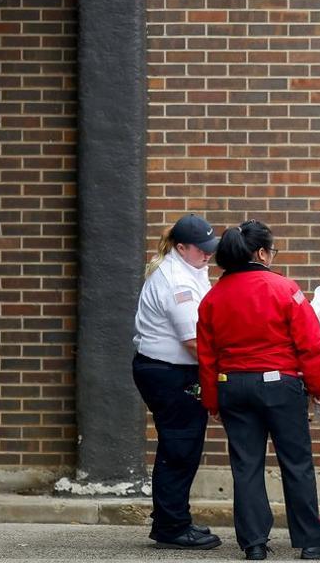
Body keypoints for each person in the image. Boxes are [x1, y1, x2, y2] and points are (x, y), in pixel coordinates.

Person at [196, 220, 320, 561]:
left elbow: (207, 357)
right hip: (280, 385)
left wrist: (211, 401)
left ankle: (253, 544)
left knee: (246, 466)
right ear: (262, 253)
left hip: (231, 386)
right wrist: (318, 385)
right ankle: (313, 542)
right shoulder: (284, 289)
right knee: (295, 463)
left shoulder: (212, 298)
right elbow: (311, 344)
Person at [131, 213, 223, 551]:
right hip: (169, 372)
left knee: (181, 447)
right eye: (202, 249)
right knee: (179, 448)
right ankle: (171, 527)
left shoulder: (191, 269)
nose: (208, 255)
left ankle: (175, 519)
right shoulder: (177, 281)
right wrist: (230, 368)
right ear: (181, 247)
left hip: (170, 370)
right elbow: (194, 342)